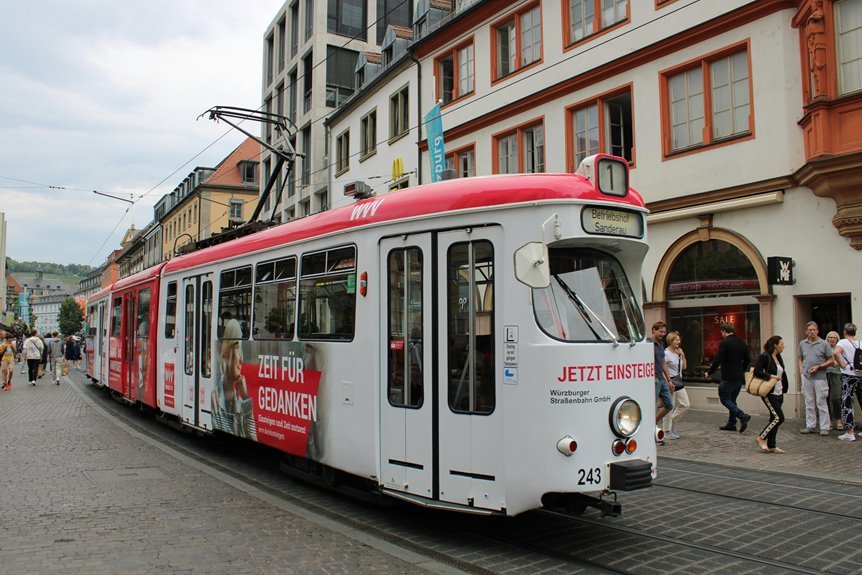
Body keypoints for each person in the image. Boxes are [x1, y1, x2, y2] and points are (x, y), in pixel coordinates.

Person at [211, 319, 255, 440]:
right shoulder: (214, 398)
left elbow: (252, 437)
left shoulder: (240, 402)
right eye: (238, 348)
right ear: (227, 352)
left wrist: (245, 397)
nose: (241, 359)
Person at [708, 322, 751, 432]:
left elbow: (717, 359)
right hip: (739, 377)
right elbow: (748, 359)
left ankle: (742, 415)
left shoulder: (725, 343)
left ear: (723, 331)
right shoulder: (741, 343)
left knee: (724, 398)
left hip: (728, 376)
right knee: (732, 400)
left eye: (721, 332)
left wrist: (709, 372)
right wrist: (741, 369)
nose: (721, 334)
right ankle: (732, 423)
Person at [754, 335, 789, 453]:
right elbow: (757, 371)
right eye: (781, 344)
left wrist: (784, 388)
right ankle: (761, 438)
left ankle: (772, 445)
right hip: (769, 392)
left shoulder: (778, 357)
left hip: (779, 392)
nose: (783, 346)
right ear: (775, 345)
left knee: (774, 418)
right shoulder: (765, 356)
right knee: (779, 418)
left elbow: (782, 373)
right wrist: (770, 376)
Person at [798, 321, 834, 435]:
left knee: (821, 401)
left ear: (817, 331)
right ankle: (810, 425)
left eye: (814, 330)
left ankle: (824, 427)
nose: (812, 332)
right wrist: (801, 371)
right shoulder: (802, 343)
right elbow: (800, 358)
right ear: (806, 331)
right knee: (808, 401)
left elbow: (831, 360)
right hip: (806, 376)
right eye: (810, 330)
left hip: (820, 377)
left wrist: (819, 366)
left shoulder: (824, 344)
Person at [833, 323, 862, 442]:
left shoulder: (843, 342)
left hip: (849, 375)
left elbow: (836, 353)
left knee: (847, 402)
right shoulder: (860, 342)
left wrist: (841, 364)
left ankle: (850, 432)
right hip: (860, 374)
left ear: (845, 331)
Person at [662, 331, 690, 439]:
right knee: (670, 406)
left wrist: (683, 355)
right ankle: (666, 431)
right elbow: (662, 369)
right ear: (671, 341)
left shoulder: (678, 352)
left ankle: (672, 421)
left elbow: (684, 367)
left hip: (679, 381)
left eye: (679, 339)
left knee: (686, 404)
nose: (679, 341)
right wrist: (667, 381)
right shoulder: (665, 353)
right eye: (676, 340)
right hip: (670, 381)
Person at [648, 321, 674, 433]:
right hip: (653, 379)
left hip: (661, 379)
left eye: (664, 332)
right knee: (652, 407)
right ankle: (651, 429)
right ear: (654, 330)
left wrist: (669, 380)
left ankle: (652, 423)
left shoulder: (661, 344)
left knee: (669, 405)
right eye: (660, 331)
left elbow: (663, 363)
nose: (663, 334)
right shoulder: (648, 343)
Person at [825, 331, 844, 430]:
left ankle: (839, 419)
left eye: (834, 338)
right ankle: (829, 420)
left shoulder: (840, 349)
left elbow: (845, 361)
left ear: (837, 339)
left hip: (837, 374)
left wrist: (837, 362)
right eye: (830, 337)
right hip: (825, 374)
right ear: (827, 339)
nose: (832, 339)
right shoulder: (824, 348)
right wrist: (830, 362)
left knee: (836, 397)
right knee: (826, 397)